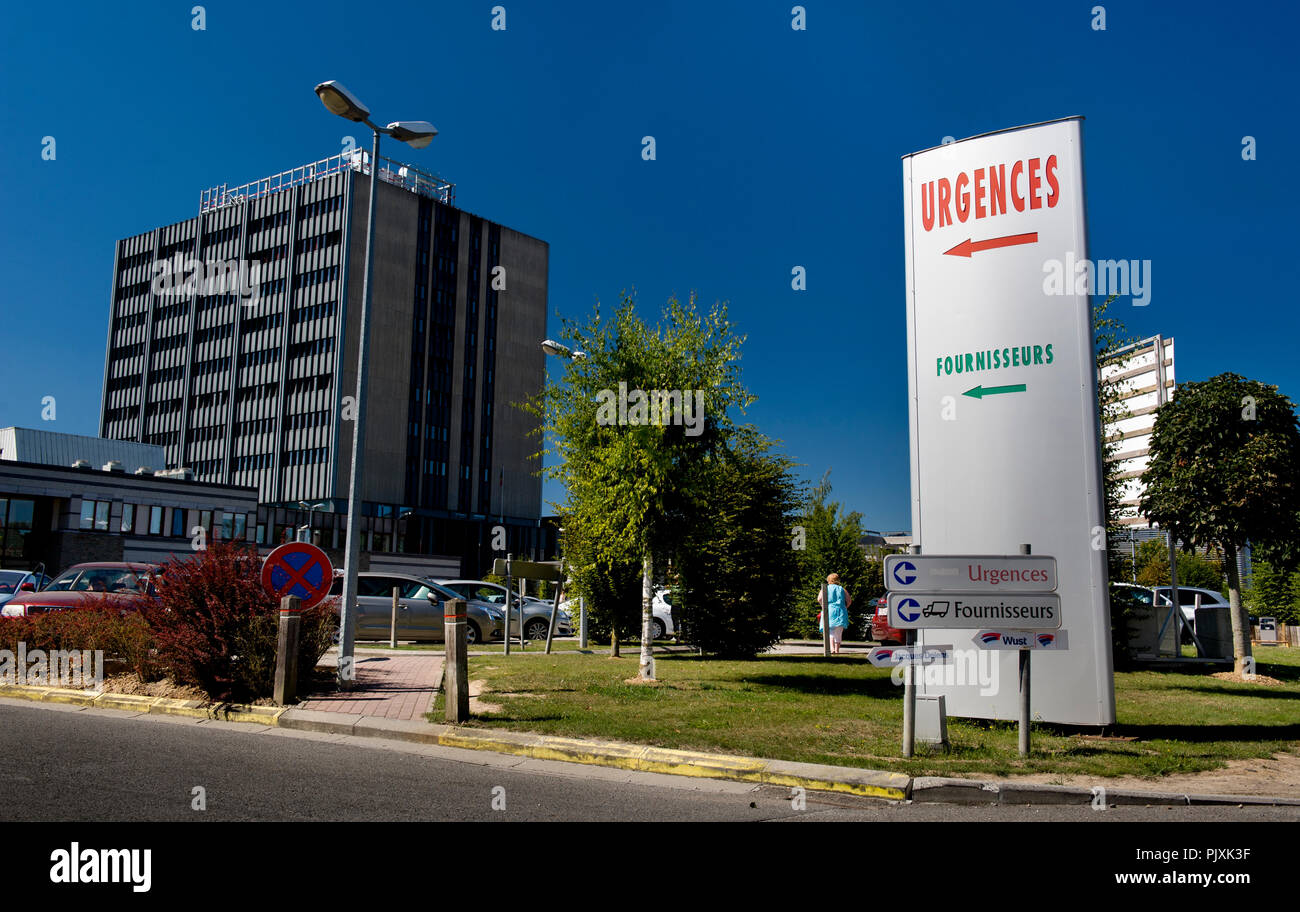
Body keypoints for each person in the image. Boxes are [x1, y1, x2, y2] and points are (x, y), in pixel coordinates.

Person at [817, 573, 852, 654]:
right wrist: (844, 607)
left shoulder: (825, 588)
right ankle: (837, 650)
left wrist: (823, 606)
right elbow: (849, 601)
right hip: (841, 610)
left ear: (828, 580)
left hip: (829, 610)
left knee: (830, 631)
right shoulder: (842, 589)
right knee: (839, 632)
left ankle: (832, 649)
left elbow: (819, 599)